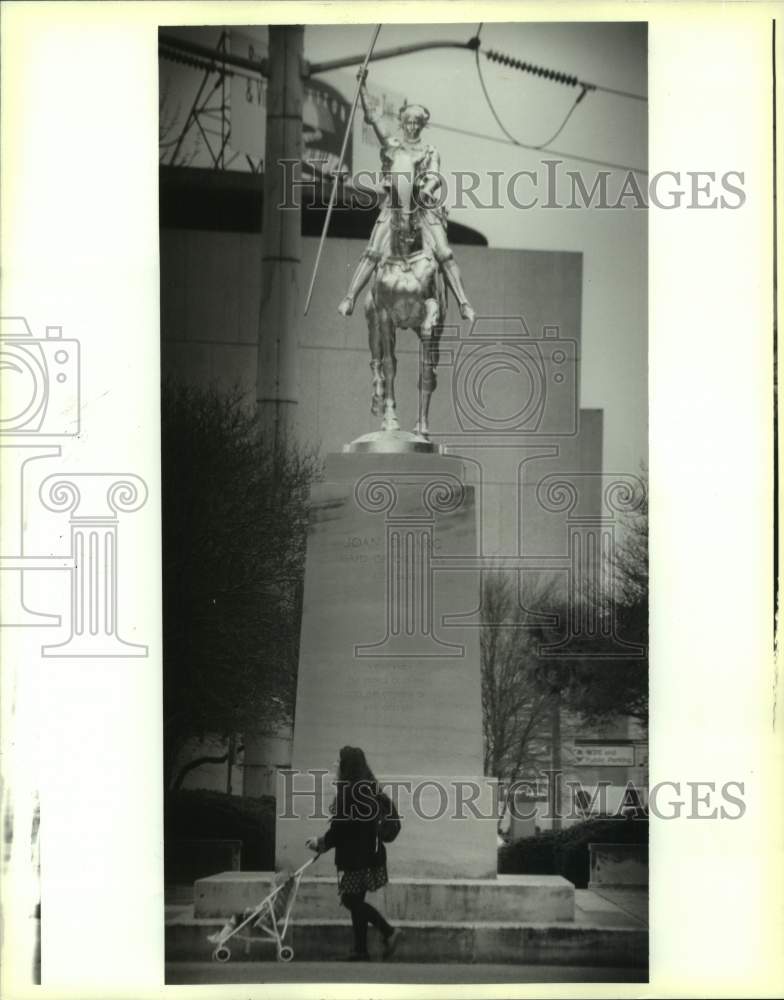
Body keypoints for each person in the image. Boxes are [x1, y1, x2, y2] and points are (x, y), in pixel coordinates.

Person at [337, 72, 476, 323]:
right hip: (394, 206)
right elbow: (373, 117)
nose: (412, 126)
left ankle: (463, 302)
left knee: (444, 253)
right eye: (408, 122)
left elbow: (434, 175)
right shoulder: (392, 146)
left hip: (422, 207)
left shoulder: (430, 151)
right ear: (402, 124)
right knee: (373, 250)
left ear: (422, 125)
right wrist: (363, 88)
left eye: (417, 123)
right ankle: (350, 297)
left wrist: (424, 191)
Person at [306, 745, 403, 961]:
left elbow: (340, 828)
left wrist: (320, 843)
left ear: (347, 765)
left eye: (339, 761)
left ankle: (388, 931)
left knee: (351, 900)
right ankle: (360, 950)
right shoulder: (369, 787)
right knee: (356, 900)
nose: (335, 764)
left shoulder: (349, 792)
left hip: (355, 858)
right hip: (371, 856)